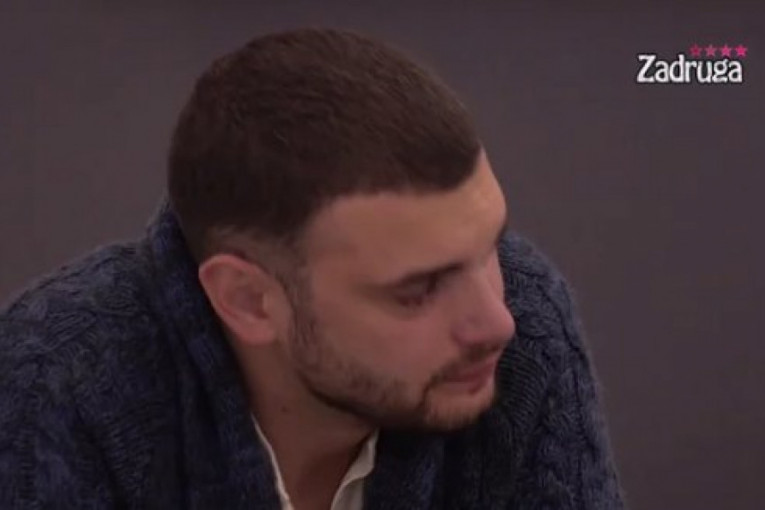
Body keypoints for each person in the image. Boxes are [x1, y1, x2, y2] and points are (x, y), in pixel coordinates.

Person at [0, 28, 624, 509]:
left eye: (490, 248)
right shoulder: (56, 381)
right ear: (248, 300)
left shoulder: (524, 323)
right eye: (418, 290)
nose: (495, 322)